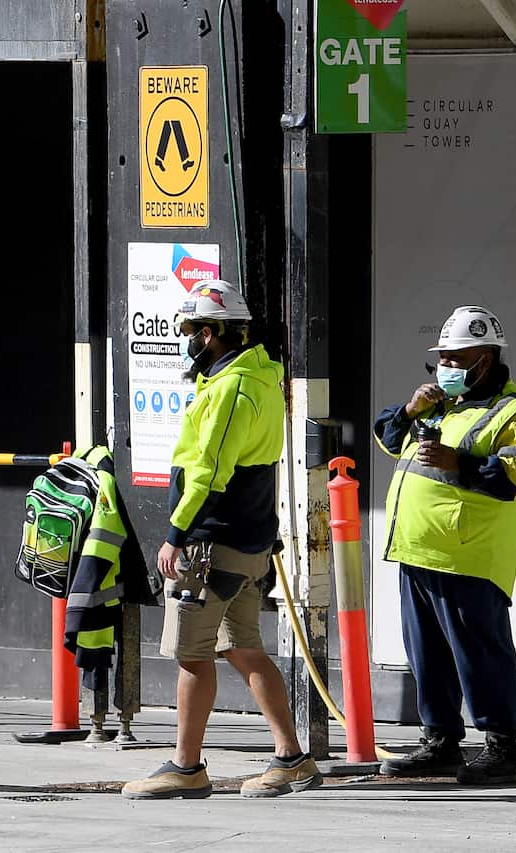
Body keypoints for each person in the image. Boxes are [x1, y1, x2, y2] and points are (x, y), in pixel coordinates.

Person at [122, 280, 322, 800]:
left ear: (210, 333)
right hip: (247, 543)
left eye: (189, 330)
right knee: (245, 649)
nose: (185, 338)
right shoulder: (253, 379)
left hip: (214, 543)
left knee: (193, 655)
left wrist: (175, 536)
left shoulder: (234, 387)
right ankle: (292, 759)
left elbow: (209, 471)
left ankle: (186, 767)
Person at [373, 305, 516, 785]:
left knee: (480, 653)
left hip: (468, 554)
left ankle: (500, 749)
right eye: (440, 360)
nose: (446, 368)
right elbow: (386, 436)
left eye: (455, 358)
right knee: (426, 653)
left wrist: (460, 462)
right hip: (416, 550)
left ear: (485, 360)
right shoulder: (441, 407)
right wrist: (410, 408)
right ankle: (441, 743)